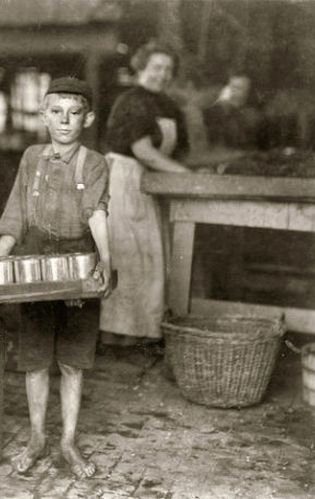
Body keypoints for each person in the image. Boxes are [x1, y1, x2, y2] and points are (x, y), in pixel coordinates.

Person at [0, 77, 113, 478]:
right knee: (35, 360)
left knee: (74, 362)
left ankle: (68, 442)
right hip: (36, 265)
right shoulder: (31, 158)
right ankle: (37, 438)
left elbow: (96, 213)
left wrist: (104, 263)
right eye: (56, 112)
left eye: (74, 113)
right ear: (43, 116)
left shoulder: (94, 163)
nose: (65, 120)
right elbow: (16, 213)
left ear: (88, 118)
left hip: (78, 266)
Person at [100, 41, 192, 347]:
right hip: (126, 181)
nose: (162, 75)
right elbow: (144, 152)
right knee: (128, 257)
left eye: (168, 69)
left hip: (155, 182)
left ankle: (141, 332)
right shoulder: (131, 101)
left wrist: (187, 170)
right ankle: (116, 332)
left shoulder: (168, 105)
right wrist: (185, 176)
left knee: (151, 259)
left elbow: (180, 152)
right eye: (156, 68)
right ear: (141, 67)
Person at [203, 71, 263, 150]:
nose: (233, 91)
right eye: (231, 87)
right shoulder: (217, 111)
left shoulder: (253, 115)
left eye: (238, 88)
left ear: (248, 91)